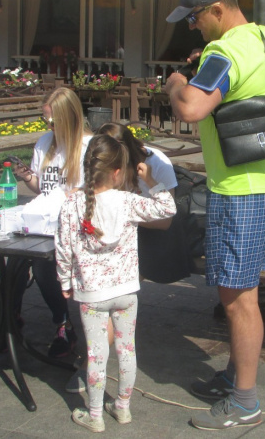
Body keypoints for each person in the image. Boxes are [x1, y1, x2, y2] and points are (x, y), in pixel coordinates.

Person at [164, 0, 265, 431]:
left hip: (239, 191)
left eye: (195, 17)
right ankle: (238, 376)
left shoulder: (223, 50)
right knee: (247, 291)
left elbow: (193, 107)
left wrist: (178, 80)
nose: (193, 26)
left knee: (238, 299)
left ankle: (245, 401)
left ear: (218, 9)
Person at [55, 134, 176, 433]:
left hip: (92, 294)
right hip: (126, 292)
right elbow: (167, 209)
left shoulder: (71, 206)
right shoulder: (128, 202)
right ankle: (122, 408)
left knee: (97, 355)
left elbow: (63, 248)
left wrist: (64, 280)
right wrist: (150, 182)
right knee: (127, 350)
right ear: (118, 171)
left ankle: (94, 414)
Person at [11, 87, 92, 357]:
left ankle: (63, 324)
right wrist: (27, 177)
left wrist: (74, 197)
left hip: (75, 224)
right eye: (45, 118)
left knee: (44, 266)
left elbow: (95, 194)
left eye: (52, 119)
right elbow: (43, 190)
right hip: (44, 219)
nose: (48, 125)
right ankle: (11, 315)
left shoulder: (87, 146)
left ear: (69, 118)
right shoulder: (45, 143)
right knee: (15, 257)